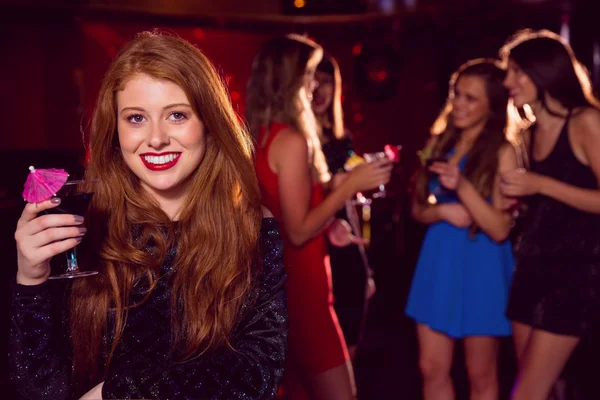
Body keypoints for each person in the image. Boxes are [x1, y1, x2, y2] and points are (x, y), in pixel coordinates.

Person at [9, 31, 287, 400]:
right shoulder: (82, 226)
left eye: (176, 115)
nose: (155, 139)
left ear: (209, 122)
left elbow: (258, 374)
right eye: (136, 118)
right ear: (116, 131)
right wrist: (30, 279)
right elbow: (40, 392)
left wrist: (119, 393)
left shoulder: (251, 228)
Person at [246, 34, 392, 400]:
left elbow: (282, 215)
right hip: (305, 289)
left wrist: (332, 221)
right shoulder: (293, 140)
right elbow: (297, 231)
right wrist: (347, 187)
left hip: (284, 281)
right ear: (289, 78)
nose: (315, 84)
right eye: (310, 73)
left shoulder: (260, 134)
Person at [406, 58, 518, 400]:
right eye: (457, 94)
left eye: (471, 98)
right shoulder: (439, 143)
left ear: (492, 106)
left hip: (481, 265)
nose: (459, 104)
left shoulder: (503, 151)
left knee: (480, 374)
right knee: (430, 367)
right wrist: (441, 212)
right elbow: (417, 210)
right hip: (438, 260)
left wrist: (464, 189)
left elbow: (500, 229)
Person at [499, 29, 600, 400]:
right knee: (540, 386)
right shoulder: (525, 133)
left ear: (545, 71)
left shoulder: (585, 121)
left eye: (517, 71)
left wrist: (540, 186)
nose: (508, 81)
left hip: (576, 272)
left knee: (526, 393)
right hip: (530, 267)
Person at [311, 53, 374, 361]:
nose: (319, 90)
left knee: (348, 352)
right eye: (313, 81)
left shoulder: (341, 138)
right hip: (312, 241)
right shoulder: (295, 140)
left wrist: (365, 266)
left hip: (346, 246)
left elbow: (350, 201)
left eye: (327, 83)